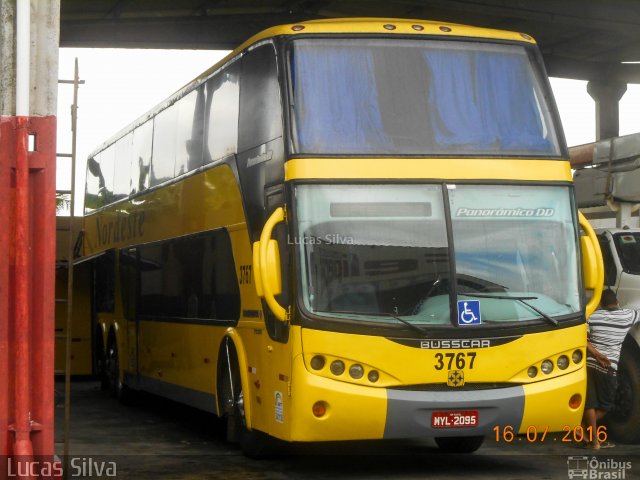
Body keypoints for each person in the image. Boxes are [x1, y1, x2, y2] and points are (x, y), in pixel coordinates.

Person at [582, 289, 640, 449]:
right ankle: (589, 435)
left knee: (590, 404)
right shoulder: (626, 316)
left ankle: (590, 438)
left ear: (600, 304)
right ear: (617, 302)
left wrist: (596, 354)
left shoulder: (593, 317)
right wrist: (602, 357)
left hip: (589, 365)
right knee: (607, 405)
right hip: (608, 368)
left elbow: (582, 340)